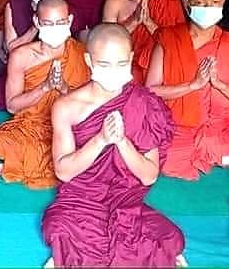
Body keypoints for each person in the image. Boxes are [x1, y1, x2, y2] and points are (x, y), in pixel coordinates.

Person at [42, 23, 185, 267]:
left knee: (173, 238)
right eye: (104, 64)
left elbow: (149, 176)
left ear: (131, 58)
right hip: (81, 200)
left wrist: (121, 142)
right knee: (57, 226)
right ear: (89, 60)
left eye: (121, 64)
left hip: (126, 201)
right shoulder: (67, 106)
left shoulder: (144, 103)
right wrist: (100, 140)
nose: (114, 71)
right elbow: (64, 172)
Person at [145, 0, 229, 180]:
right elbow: (150, 91)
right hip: (177, 132)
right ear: (186, 4)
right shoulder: (169, 39)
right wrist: (192, 85)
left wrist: (220, 85)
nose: (208, 8)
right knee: (163, 160)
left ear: (223, 3)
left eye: (214, 3)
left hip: (221, 135)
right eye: (201, 3)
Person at [0, 0, 91, 189]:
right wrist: (45, 87)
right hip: (30, 125)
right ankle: (53, 160)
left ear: (70, 21)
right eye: (48, 23)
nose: (55, 28)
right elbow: (12, 105)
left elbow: (87, 105)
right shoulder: (22, 56)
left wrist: (63, 87)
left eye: (60, 23)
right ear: (36, 22)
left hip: (67, 126)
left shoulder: (82, 54)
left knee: (90, 141)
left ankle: (26, 161)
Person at [102, 0, 185, 83]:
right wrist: (134, 21)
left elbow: (176, 44)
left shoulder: (169, 1)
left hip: (159, 69)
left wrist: (148, 23)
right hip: (124, 67)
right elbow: (106, 42)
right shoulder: (114, 2)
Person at [0, 0, 60, 110]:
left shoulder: (60, 8)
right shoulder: (15, 5)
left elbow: (64, 49)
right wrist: (36, 26)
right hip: (21, 70)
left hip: (51, 70)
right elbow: (10, 48)